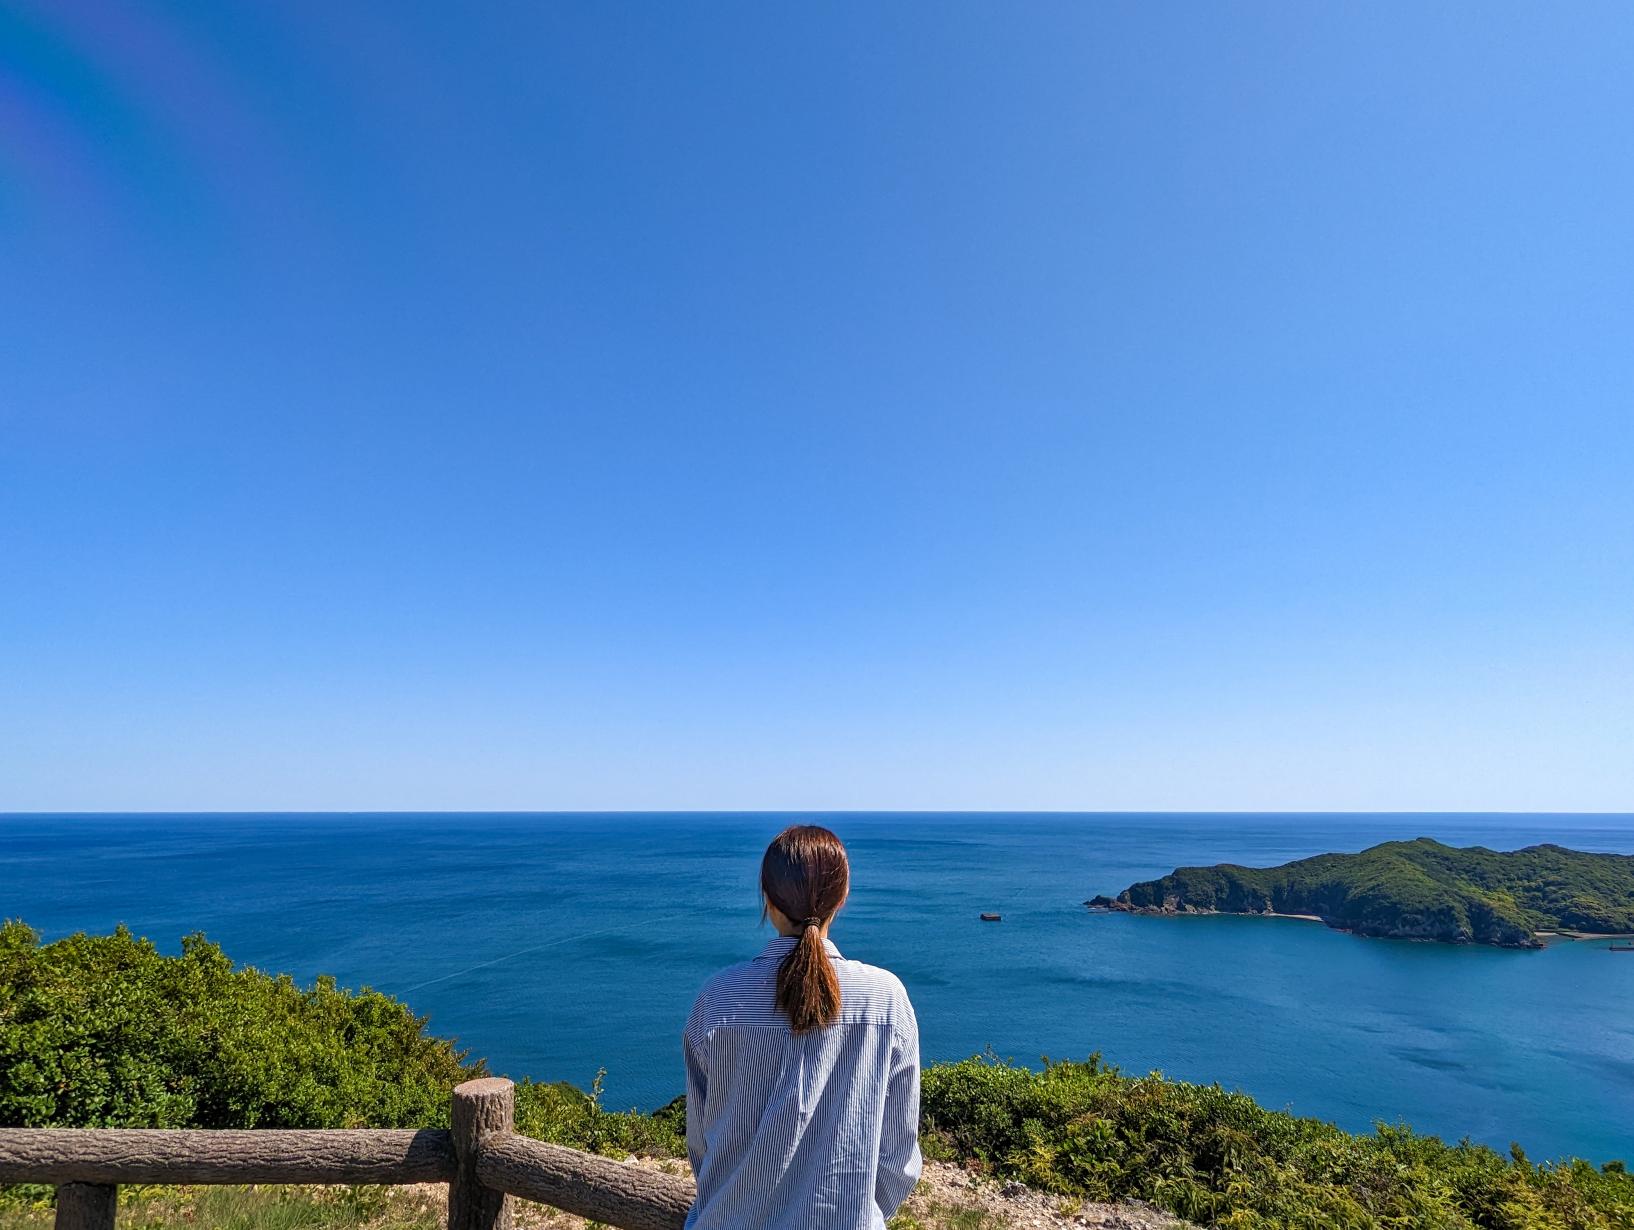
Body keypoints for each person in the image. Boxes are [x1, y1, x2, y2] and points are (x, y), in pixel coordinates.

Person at [682, 824, 922, 1229]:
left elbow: (702, 1144)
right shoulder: (885, 999)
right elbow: (898, 1159)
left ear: (768, 899)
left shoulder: (718, 998)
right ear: (842, 898)